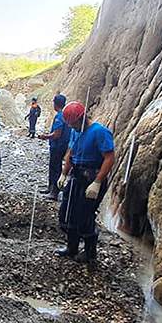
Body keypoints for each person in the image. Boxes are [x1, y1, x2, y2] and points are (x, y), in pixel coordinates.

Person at [55, 102, 115, 267]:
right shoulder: (76, 132)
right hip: (77, 176)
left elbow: (109, 158)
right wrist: (63, 173)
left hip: (92, 177)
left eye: (73, 124)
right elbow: (71, 153)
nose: (72, 127)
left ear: (81, 119)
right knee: (67, 212)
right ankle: (71, 247)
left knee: (85, 215)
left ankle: (90, 253)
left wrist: (97, 182)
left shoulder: (99, 132)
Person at [37, 95, 69, 200]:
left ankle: (54, 192)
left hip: (58, 146)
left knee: (55, 168)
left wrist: (45, 136)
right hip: (62, 146)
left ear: (55, 103)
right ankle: (50, 187)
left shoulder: (60, 117)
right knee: (53, 167)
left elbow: (57, 134)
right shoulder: (66, 115)